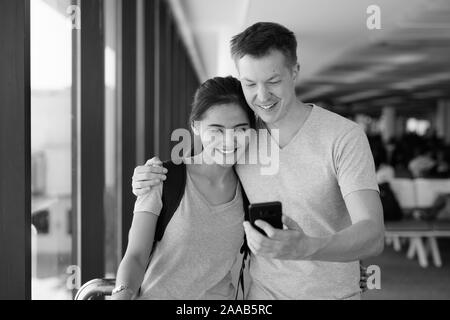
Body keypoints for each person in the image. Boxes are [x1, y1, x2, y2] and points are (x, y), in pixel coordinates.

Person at [133, 22, 384, 300]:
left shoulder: (343, 136)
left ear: (295, 71)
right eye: (250, 84)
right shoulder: (243, 137)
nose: (262, 96)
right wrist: (150, 175)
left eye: (274, 81)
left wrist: (308, 247)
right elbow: (203, 167)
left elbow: (373, 235)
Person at [112, 76, 255, 300]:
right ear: (195, 127)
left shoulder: (252, 188)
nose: (229, 141)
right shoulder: (162, 178)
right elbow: (136, 256)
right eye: (216, 130)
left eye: (240, 129)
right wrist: (122, 293)